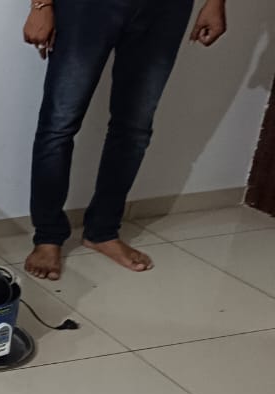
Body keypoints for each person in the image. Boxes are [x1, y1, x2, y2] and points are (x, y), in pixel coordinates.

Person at [22, 0, 227, 280]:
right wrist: (41, 5)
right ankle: (48, 236)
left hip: (165, 9)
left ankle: (103, 231)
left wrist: (215, 2)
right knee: (59, 124)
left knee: (134, 128)